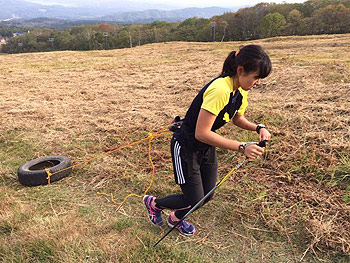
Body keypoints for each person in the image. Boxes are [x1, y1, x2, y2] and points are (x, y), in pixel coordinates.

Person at [143, 44, 272, 236]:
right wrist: (242, 146)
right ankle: (154, 204)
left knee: (207, 195)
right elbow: (201, 133)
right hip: (186, 145)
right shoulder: (220, 89)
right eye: (256, 77)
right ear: (240, 70)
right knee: (193, 198)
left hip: (205, 146)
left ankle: (176, 219)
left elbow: (237, 118)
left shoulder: (241, 91)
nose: (258, 82)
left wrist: (258, 127)